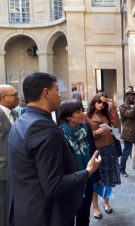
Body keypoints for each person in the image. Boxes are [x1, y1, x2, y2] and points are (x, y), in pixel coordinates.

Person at [7, 72, 101, 226]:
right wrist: (88, 171)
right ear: (46, 93)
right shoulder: (42, 127)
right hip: (45, 214)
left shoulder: (22, 120)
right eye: (57, 90)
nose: (60, 95)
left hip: (25, 210)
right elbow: (53, 185)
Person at [59, 99, 99, 226]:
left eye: (83, 110)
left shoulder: (86, 128)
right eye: (78, 111)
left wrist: (95, 175)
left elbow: (93, 151)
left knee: (84, 216)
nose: (83, 113)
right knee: (68, 219)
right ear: (67, 116)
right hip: (70, 184)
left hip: (87, 180)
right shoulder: (59, 134)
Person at [86, 92, 121, 219]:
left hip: (110, 148)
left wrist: (112, 108)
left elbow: (117, 125)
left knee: (109, 178)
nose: (101, 104)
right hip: (97, 149)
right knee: (97, 179)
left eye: (103, 102)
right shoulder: (87, 116)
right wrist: (99, 131)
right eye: (99, 101)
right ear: (94, 101)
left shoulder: (107, 113)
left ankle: (106, 202)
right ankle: (95, 207)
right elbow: (87, 135)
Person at [0, 84, 19, 226]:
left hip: (16, 168)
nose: (18, 97)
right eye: (14, 95)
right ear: (3, 97)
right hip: (2, 170)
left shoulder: (15, 113)